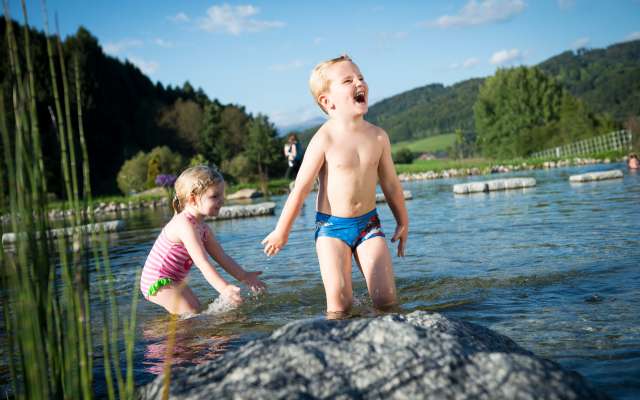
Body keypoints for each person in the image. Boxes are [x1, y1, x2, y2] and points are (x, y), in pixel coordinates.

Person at [262, 55, 409, 315]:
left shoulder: (378, 137)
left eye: (361, 77)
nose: (359, 83)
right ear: (327, 101)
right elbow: (301, 189)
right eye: (348, 80)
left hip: (369, 225)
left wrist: (403, 221)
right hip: (331, 229)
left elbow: (391, 185)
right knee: (340, 304)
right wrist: (281, 231)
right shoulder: (324, 139)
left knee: (386, 300)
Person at [140, 165, 266, 315]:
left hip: (174, 278)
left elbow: (222, 257)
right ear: (193, 199)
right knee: (191, 313)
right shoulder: (184, 224)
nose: (221, 201)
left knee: (197, 310)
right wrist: (224, 288)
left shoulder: (203, 228)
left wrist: (243, 275)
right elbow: (202, 262)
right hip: (157, 281)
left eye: (222, 195)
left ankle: (162, 329)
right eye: (214, 196)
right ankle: (163, 337)